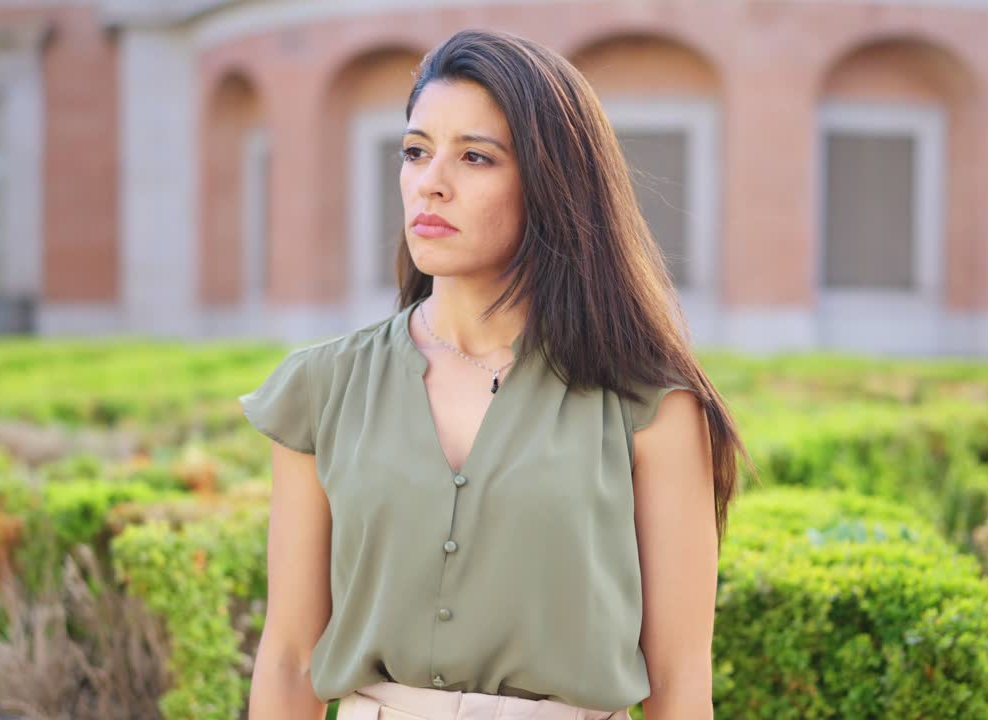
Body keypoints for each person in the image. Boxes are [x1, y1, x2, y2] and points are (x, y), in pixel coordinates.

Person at [242, 28, 753, 720]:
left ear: (551, 184)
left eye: (476, 157)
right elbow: (289, 658)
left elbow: (680, 678)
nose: (431, 182)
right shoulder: (323, 387)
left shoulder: (649, 403)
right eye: (416, 152)